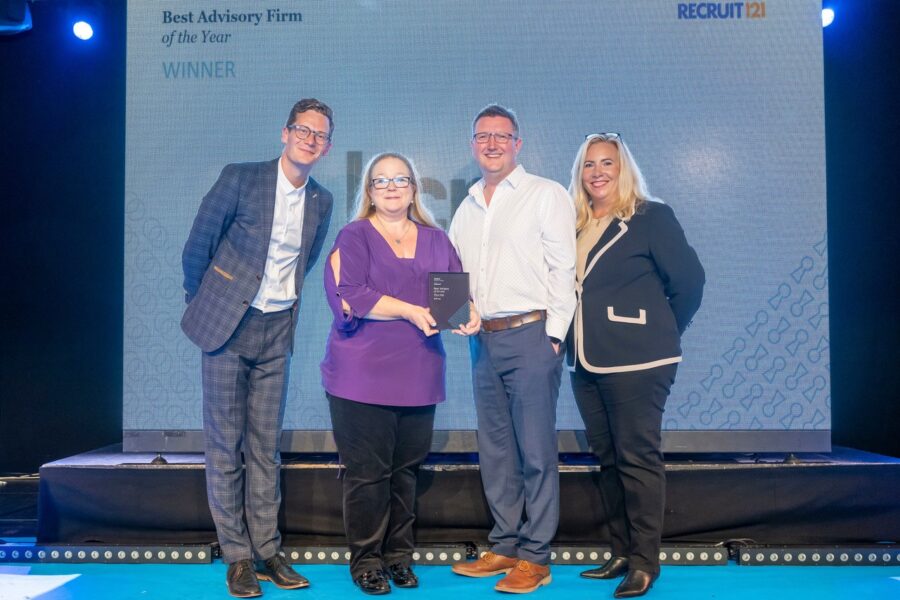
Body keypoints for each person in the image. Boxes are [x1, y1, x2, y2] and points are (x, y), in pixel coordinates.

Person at [181, 98, 335, 598]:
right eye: (302, 130)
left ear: (326, 147)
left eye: (320, 135)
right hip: (227, 327)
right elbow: (197, 246)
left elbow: (305, 263)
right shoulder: (241, 178)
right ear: (284, 134)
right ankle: (238, 557)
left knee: (264, 449)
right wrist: (209, 302)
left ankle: (267, 550)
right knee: (225, 447)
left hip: (275, 331)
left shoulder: (322, 201)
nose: (309, 140)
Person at [321, 152, 480, 595]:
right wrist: (410, 311)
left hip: (419, 375)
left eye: (400, 179)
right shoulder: (353, 236)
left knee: (405, 473)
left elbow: (451, 305)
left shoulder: (436, 239)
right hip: (360, 377)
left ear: (414, 188)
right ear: (369, 192)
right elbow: (351, 296)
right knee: (367, 475)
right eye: (380, 181)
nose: (391, 187)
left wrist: (469, 314)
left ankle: (398, 557)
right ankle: (367, 561)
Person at [566, 133, 704, 598]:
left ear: (624, 169)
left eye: (607, 163)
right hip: (586, 359)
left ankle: (646, 563)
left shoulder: (651, 217)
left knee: (637, 458)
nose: (598, 172)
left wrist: (661, 332)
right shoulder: (576, 221)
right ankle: (621, 551)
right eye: (589, 164)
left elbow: (689, 282)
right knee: (608, 460)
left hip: (641, 359)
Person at [448, 105, 576, 594]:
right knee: (496, 450)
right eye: (483, 136)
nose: (492, 144)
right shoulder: (466, 206)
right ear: (473, 145)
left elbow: (563, 269)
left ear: (518, 144)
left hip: (532, 335)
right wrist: (456, 319)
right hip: (484, 342)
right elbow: (453, 274)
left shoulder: (546, 194)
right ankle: (504, 545)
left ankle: (536, 557)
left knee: (536, 451)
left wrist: (554, 336)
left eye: (502, 136)